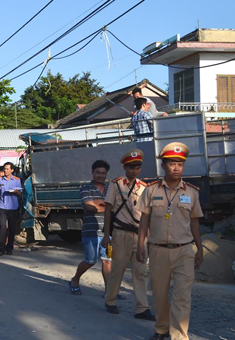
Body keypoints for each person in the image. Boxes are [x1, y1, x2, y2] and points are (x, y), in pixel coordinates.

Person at [137, 143, 204, 340]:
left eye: (180, 164)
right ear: (163, 166)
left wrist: (199, 248)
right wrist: (141, 244)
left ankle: (179, 336)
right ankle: (161, 329)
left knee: (182, 296)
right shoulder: (150, 190)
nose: (176, 168)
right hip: (158, 250)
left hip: (184, 251)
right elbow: (144, 221)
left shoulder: (192, 192)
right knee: (159, 294)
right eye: (172, 164)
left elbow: (195, 223)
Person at [102, 150, 155, 321]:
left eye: (137, 167)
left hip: (139, 235)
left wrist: (148, 237)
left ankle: (142, 308)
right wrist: (106, 234)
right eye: (131, 167)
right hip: (121, 233)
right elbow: (108, 209)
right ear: (125, 167)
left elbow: (147, 214)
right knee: (118, 269)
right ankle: (110, 301)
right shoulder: (116, 185)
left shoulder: (145, 187)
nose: (135, 170)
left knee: (141, 272)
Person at [69, 160, 112, 295]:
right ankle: (75, 279)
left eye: (103, 173)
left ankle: (109, 291)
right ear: (92, 173)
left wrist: (99, 203)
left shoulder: (110, 189)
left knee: (107, 261)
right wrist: (108, 206)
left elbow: (115, 206)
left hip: (107, 232)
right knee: (90, 260)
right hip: (91, 231)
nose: (100, 175)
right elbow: (89, 207)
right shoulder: (85, 188)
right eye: (98, 172)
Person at [0, 162, 22, 256]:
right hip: (2, 207)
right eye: (4, 169)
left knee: (12, 228)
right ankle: (1, 248)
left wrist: (16, 192)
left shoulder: (16, 180)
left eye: (7, 169)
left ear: (12, 170)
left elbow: (20, 193)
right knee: (2, 227)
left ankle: (9, 247)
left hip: (13, 207)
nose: (5, 170)